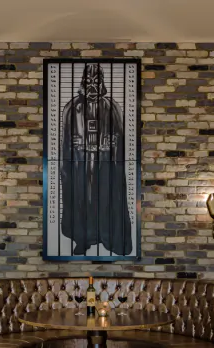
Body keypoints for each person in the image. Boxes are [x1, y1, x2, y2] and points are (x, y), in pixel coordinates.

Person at [60, 64, 132, 256]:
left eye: (96, 81)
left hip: (104, 165)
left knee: (104, 200)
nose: (92, 86)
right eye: (88, 81)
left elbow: (119, 137)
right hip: (80, 165)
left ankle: (107, 238)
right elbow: (66, 142)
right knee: (82, 201)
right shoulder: (72, 107)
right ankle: (82, 239)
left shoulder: (111, 107)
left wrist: (111, 143)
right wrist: (75, 144)